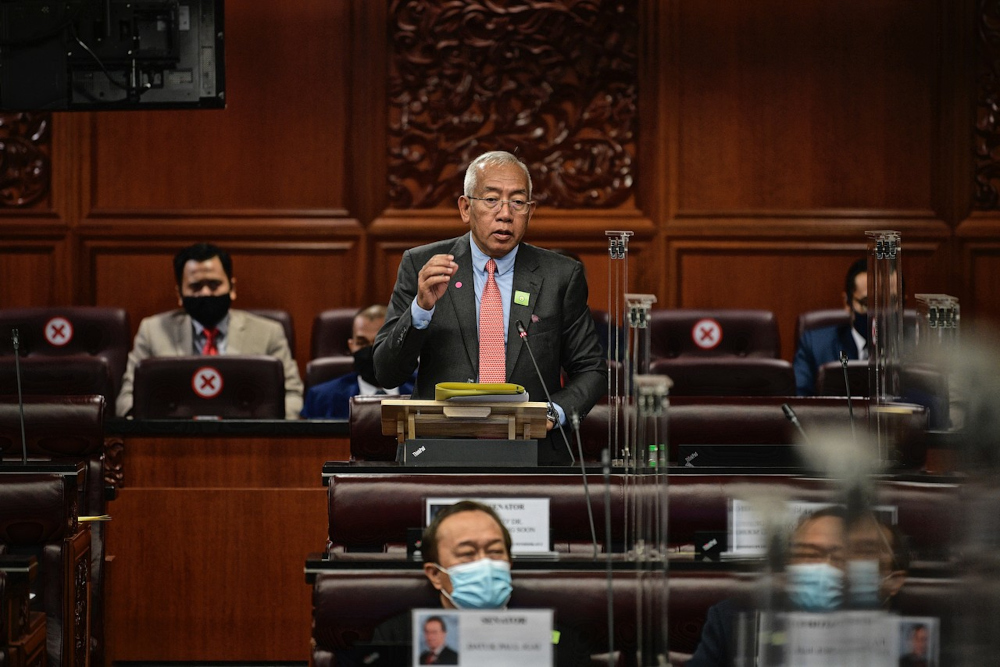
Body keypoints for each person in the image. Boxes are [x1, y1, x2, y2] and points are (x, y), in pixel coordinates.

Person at [372, 150, 606, 464]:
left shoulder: (560, 276)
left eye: (517, 202)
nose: (505, 213)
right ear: (466, 208)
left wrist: (551, 414)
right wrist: (420, 309)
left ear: (530, 211)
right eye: (491, 199)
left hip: (532, 450)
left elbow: (591, 369)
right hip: (438, 449)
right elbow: (386, 372)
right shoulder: (421, 265)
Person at [370, 500, 592, 666]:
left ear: (509, 563)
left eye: (495, 552)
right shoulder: (395, 639)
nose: (484, 563)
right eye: (467, 553)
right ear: (435, 574)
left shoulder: (562, 643)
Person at [687, 506, 910, 667]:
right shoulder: (735, 619)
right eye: (809, 555)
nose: (825, 568)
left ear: (893, 580)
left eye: (844, 557)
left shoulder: (917, 637)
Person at [115, 242, 304, 419]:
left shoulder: (268, 332)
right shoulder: (153, 331)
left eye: (214, 285)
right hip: (173, 444)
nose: (205, 293)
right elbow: (126, 399)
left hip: (248, 443)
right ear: (180, 294)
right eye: (195, 286)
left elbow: (293, 396)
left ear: (232, 288)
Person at [300, 305, 414, 419]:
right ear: (351, 345)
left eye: (380, 341)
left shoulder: (425, 393)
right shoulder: (320, 398)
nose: (371, 350)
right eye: (362, 342)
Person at [793, 258, 868, 396]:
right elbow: (800, 404)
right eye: (866, 303)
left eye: (889, 303)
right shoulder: (815, 346)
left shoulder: (915, 347)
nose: (877, 312)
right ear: (847, 303)